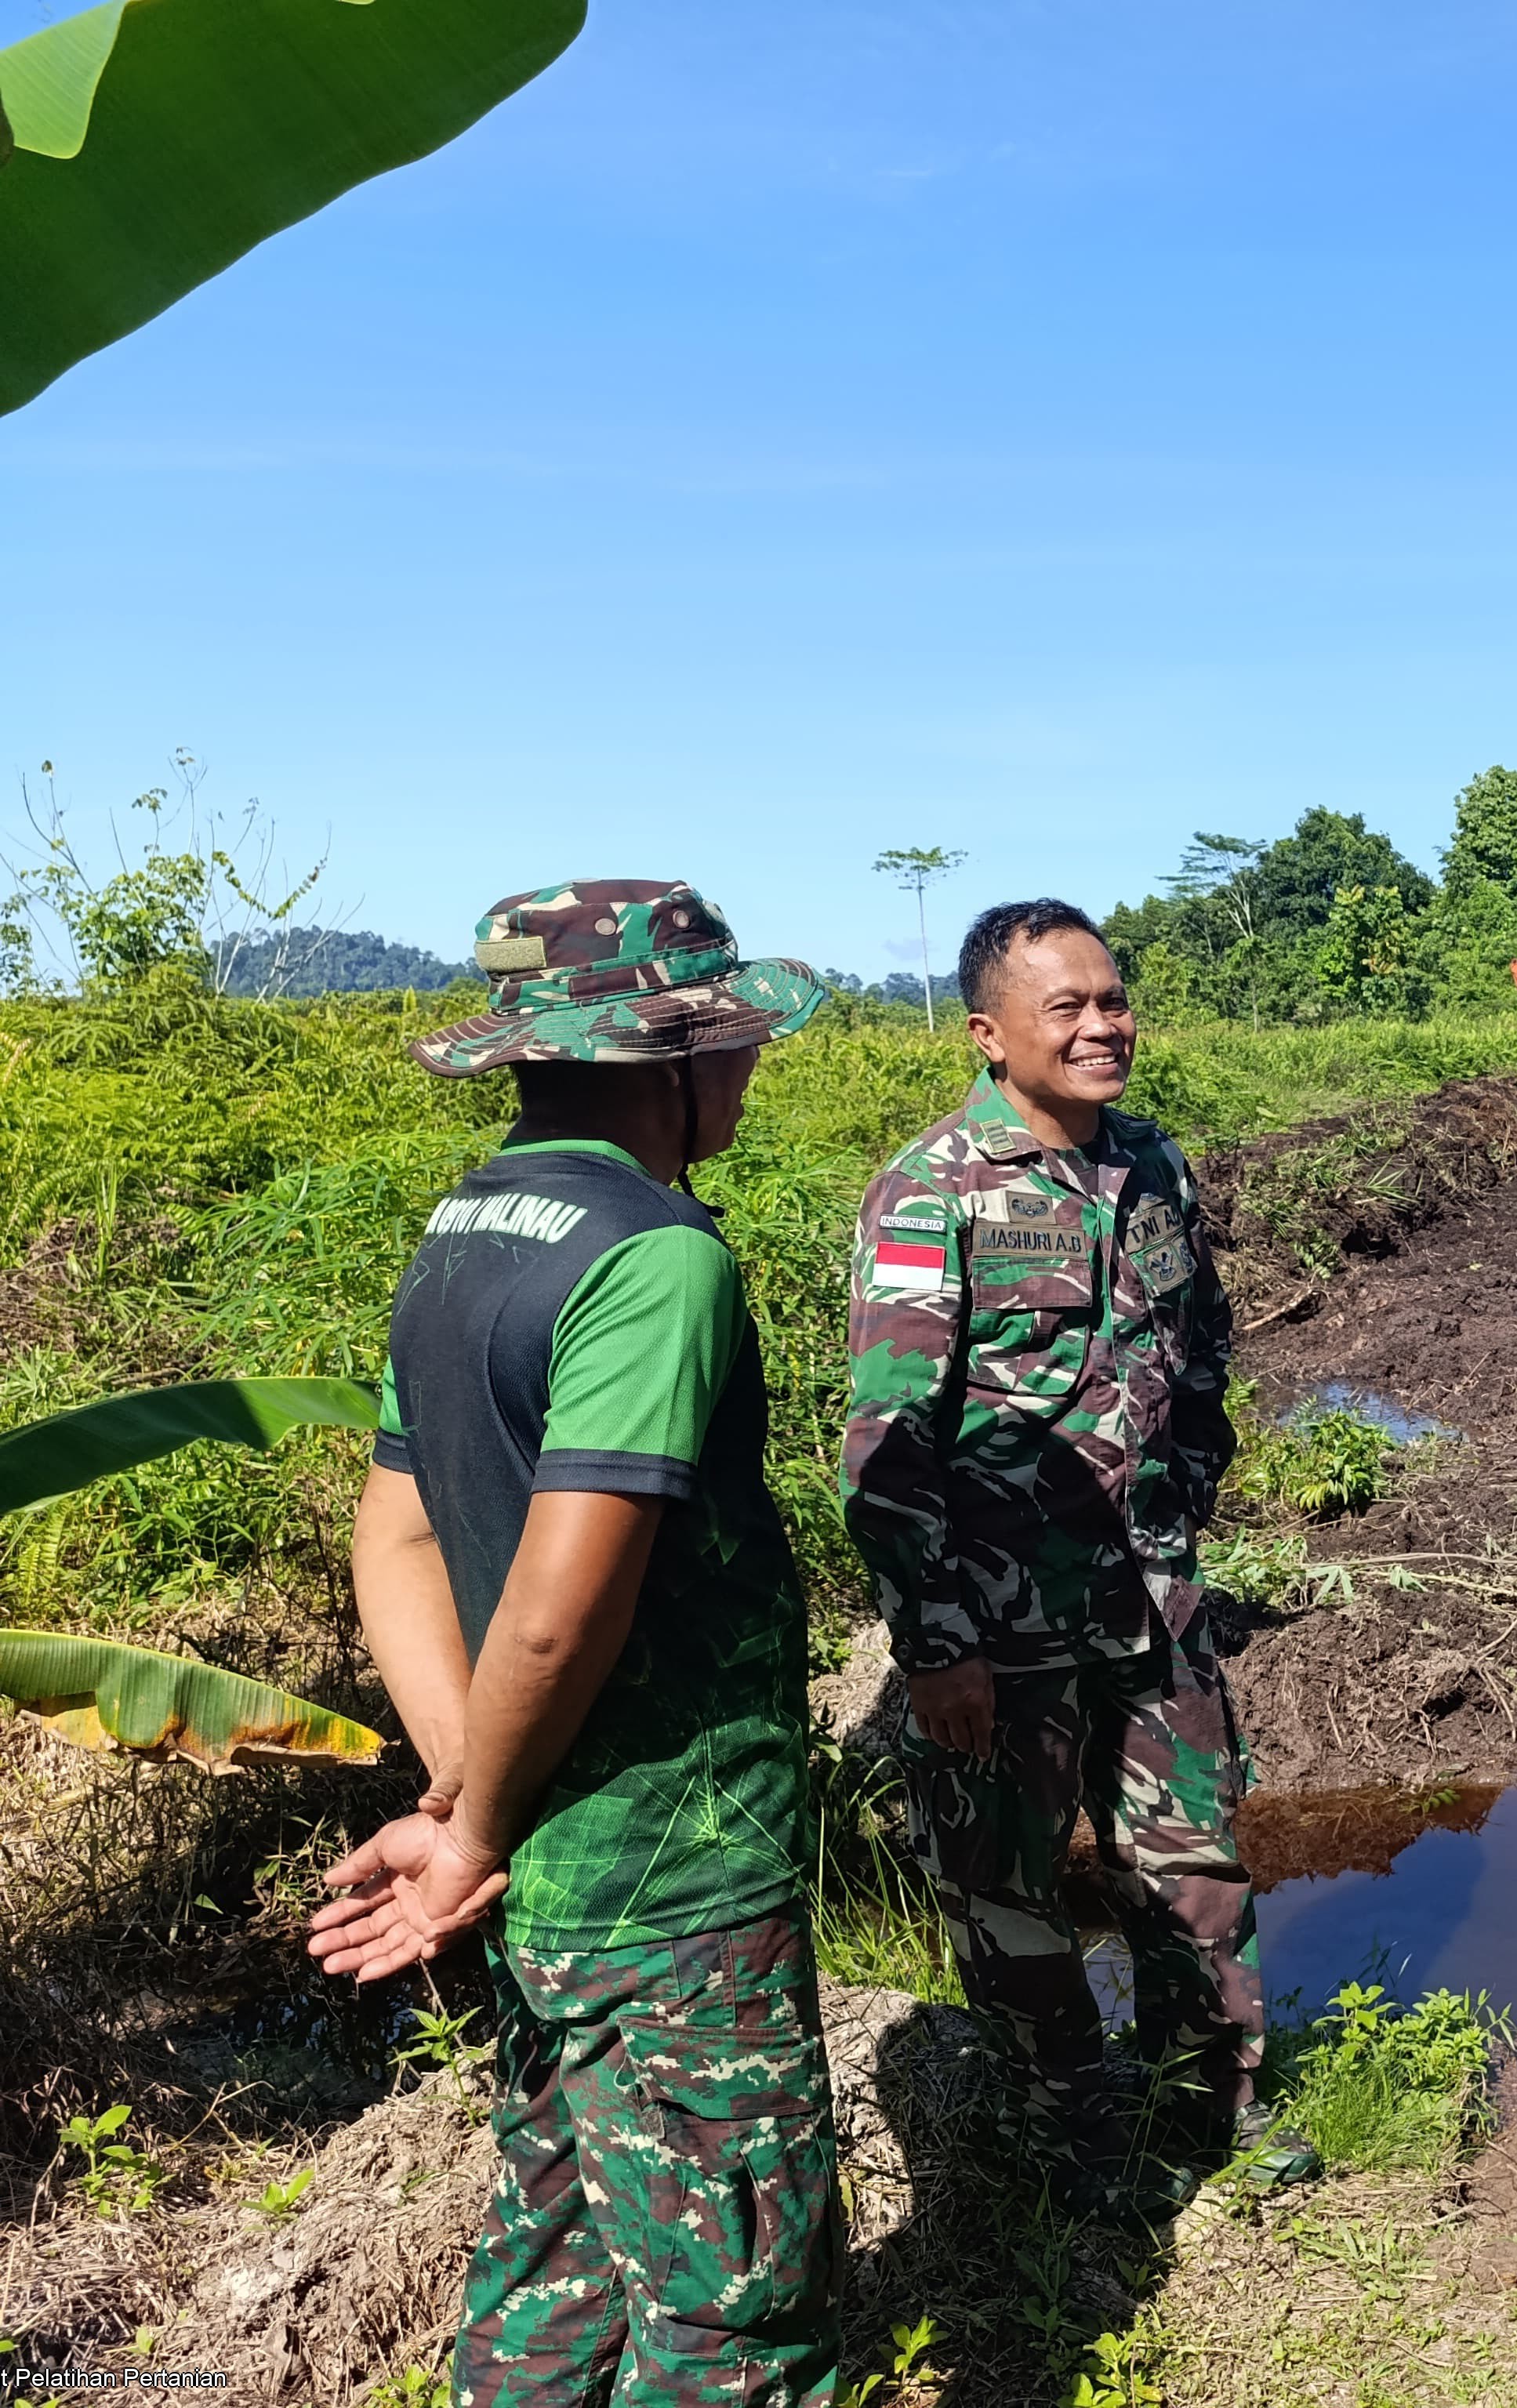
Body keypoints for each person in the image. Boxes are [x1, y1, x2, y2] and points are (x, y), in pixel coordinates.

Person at [308, 880, 840, 2406]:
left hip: (548, 1876)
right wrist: (474, 1820)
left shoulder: (467, 1228)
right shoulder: (657, 1257)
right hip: (671, 1881)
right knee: (734, 2326)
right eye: (727, 1042)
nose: (746, 1067)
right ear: (662, 1060)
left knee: (556, 2279)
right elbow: (559, 1607)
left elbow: (396, 1537)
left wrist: (470, 1801)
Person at [840, 898, 1261, 2206]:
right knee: (1010, 1895)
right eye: (1066, 1008)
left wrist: (1189, 1480)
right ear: (989, 1033)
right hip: (999, 1632)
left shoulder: (1153, 1161)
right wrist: (936, 1644)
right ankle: (1074, 2132)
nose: (1102, 1025)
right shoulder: (933, 1190)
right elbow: (889, 1443)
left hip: (1152, 1607)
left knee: (1194, 1865)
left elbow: (1200, 1349)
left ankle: (1212, 2116)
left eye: (1113, 1000)